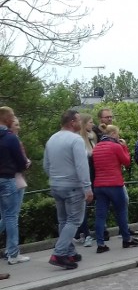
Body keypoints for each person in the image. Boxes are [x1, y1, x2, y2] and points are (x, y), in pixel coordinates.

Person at [43, 110, 93, 270]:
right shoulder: (76, 140)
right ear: (72, 122)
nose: (82, 123)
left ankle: (69, 251)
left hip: (56, 184)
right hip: (73, 186)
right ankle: (59, 253)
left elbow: (46, 165)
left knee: (63, 220)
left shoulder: (52, 139)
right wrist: (87, 187)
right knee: (74, 220)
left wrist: (56, 178)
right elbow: (81, 165)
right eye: (79, 120)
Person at [92, 124, 138, 253]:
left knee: (100, 215)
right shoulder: (116, 146)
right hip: (114, 184)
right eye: (117, 134)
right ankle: (126, 239)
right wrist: (124, 146)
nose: (118, 136)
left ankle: (100, 244)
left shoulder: (96, 147)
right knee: (121, 211)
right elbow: (126, 161)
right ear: (113, 134)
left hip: (99, 185)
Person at [0, 107, 29, 265]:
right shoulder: (10, 138)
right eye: (11, 117)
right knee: (11, 217)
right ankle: (13, 253)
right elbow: (20, 161)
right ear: (6, 119)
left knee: (4, 216)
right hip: (7, 178)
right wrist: (24, 165)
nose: (13, 120)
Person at [73, 114, 97, 247]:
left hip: (92, 174)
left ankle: (79, 233)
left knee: (85, 206)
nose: (92, 125)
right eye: (90, 122)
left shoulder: (92, 137)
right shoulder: (80, 140)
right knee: (83, 207)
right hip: (85, 176)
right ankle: (85, 233)